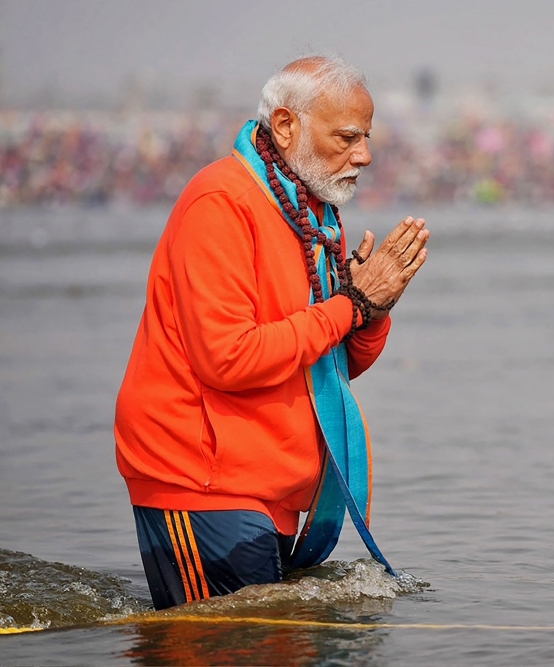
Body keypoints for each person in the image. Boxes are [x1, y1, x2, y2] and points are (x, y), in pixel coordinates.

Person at [114, 55, 428, 610]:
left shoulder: (308, 209)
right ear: (286, 126)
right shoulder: (223, 201)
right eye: (348, 137)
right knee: (239, 645)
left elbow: (326, 362)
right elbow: (229, 359)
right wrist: (351, 305)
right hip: (200, 484)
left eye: (367, 137)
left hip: (271, 489)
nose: (366, 155)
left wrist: (371, 312)